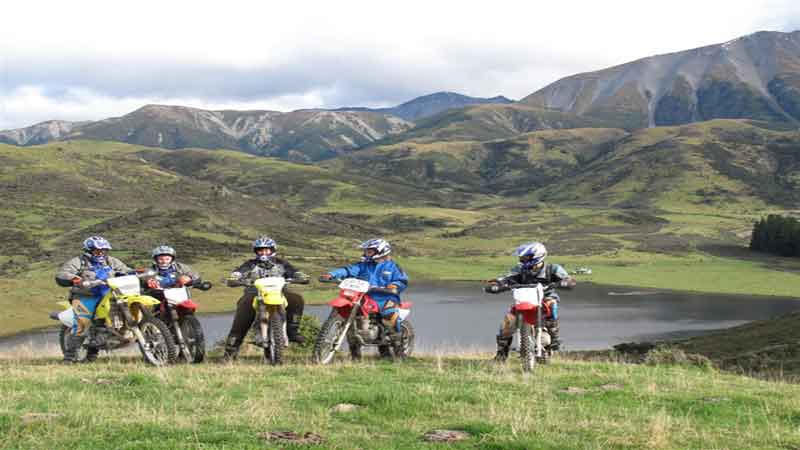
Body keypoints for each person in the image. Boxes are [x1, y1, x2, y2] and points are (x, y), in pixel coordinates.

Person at [485, 241, 575, 361]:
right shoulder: (519, 269)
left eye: (525, 257)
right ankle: (501, 354)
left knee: (551, 304)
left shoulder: (552, 269)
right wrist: (497, 284)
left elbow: (567, 279)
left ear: (537, 256)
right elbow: (507, 278)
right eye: (521, 257)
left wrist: (565, 282)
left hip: (544, 298)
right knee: (508, 321)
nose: (522, 259)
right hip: (524, 300)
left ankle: (553, 339)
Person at [222, 236, 307, 361]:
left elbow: (294, 272)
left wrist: (299, 276)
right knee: (242, 313)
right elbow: (239, 272)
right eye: (260, 250)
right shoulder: (250, 264)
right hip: (254, 292)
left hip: (279, 292)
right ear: (256, 251)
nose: (263, 253)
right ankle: (230, 353)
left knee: (297, 299)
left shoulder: (281, 263)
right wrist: (235, 277)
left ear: (273, 250)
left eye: (267, 250)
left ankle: (293, 331)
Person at [54, 236, 133, 363]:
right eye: (97, 251)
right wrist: (75, 279)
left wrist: (136, 272)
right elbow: (63, 274)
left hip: (109, 294)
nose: (101, 253)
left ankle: (104, 341)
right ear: (89, 251)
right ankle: (69, 357)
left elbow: (126, 270)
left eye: (104, 250)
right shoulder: (78, 261)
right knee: (82, 323)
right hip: (85, 296)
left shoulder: (111, 261)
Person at [320, 238, 408, 344]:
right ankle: (355, 349)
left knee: (388, 314)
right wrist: (332, 274)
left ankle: (397, 341)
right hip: (365, 296)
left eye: (369, 251)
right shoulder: (363, 265)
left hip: (386, 297)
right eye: (366, 251)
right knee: (353, 311)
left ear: (381, 251)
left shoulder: (393, 267)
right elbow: (348, 270)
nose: (366, 253)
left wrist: (394, 285)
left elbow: (402, 280)